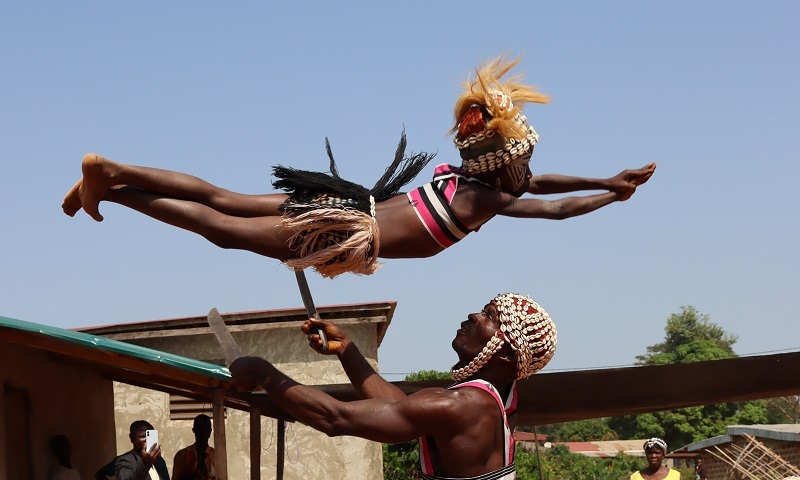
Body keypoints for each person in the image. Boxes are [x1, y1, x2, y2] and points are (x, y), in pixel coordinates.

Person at [62, 55, 655, 278]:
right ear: (503, 170)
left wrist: (608, 177)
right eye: (523, 165)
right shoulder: (490, 198)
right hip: (348, 230)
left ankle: (112, 170)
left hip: (351, 203)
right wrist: (609, 197)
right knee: (221, 232)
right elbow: (555, 207)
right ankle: (111, 194)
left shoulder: (469, 178)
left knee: (222, 197)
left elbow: (543, 183)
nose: (530, 173)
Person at [230, 292, 557, 479]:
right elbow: (399, 408)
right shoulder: (502, 397)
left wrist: (262, 371)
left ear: (505, 354)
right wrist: (347, 350)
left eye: (489, 317)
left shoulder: (461, 405)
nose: (473, 315)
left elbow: (336, 418)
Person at [171, 414, 215, 480]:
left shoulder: (217, 456)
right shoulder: (182, 455)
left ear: (210, 431)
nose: (202, 434)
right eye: (200, 430)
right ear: (194, 430)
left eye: (205, 430)